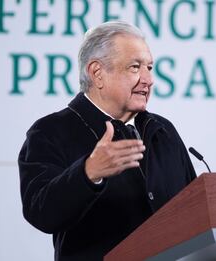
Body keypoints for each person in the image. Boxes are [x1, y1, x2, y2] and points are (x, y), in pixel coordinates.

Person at [18, 21, 196, 261]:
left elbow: (194, 209)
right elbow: (40, 212)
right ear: (97, 73)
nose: (148, 79)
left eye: (150, 67)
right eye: (135, 67)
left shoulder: (162, 131)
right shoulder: (50, 131)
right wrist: (88, 173)